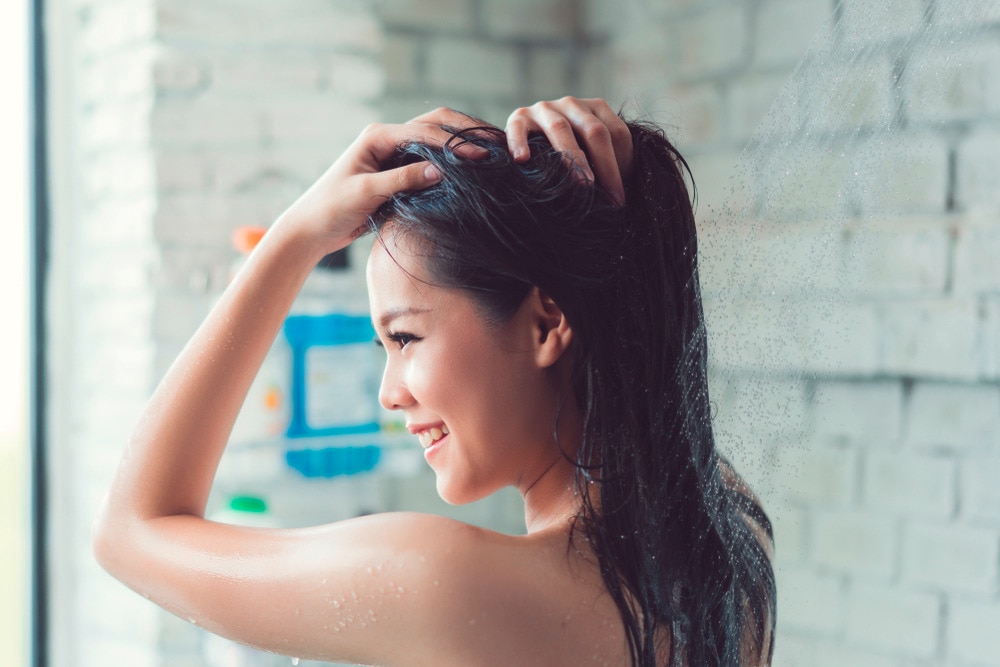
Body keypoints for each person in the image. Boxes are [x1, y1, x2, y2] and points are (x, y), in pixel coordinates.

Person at [93, 97, 775, 666]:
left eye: (406, 337)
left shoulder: (443, 583)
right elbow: (654, 374)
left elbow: (131, 528)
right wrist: (634, 209)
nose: (389, 391)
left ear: (545, 325)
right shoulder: (730, 548)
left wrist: (296, 235)